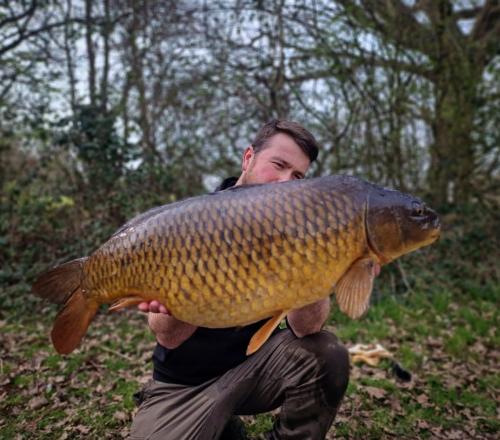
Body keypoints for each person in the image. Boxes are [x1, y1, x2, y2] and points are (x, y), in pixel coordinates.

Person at [129, 119, 350, 440]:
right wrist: (182, 295)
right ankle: (221, 427)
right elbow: (169, 338)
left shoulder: (297, 231)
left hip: (254, 372)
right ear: (248, 158)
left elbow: (306, 328)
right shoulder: (191, 222)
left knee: (327, 353)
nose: (286, 182)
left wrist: (317, 265)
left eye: (298, 176)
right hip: (184, 386)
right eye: (279, 165)